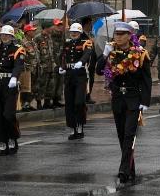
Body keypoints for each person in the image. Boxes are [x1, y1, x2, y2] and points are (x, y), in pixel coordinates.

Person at [104, 23, 151, 183]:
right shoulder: (111, 53)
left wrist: (145, 100)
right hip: (118, 98)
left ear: (130, 36)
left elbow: (146, 80)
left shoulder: (140, 54)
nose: (118, 37)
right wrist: (104, 55)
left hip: (133, 98)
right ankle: (130, 167)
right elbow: (98, 70)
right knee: (121, 134)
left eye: (122, 34)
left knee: (130, 135)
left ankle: (123, 169)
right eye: (116, 34)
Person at [0, 25, 25, 156]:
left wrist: (14, 77)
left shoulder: (18, 49)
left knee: (8, 115)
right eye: (3, 35)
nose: (4, 37)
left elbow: (18, 65)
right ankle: (3, 143)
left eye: (7, 35)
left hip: (10, 84)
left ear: (12, 36)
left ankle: (13, 138)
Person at [61, 23, 94, 140]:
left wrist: (81, 62)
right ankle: (72, 127)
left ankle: (80, 126)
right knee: (69, 103)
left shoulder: (86, 42)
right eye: (72, 32)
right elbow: (63, 56)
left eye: (76, 32)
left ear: (80, 33)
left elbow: (87, 53)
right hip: (69, 74)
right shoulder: (67, 43)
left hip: (80, 74)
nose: (74, 34)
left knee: (79, 102)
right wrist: (61, 67)